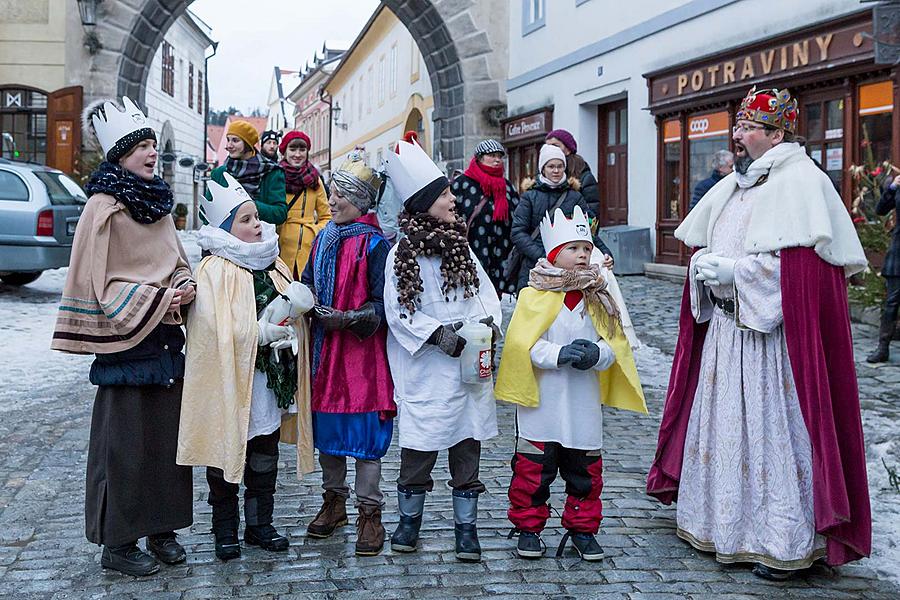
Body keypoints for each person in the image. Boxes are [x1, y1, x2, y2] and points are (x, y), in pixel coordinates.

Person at [647, 86, 871, 580]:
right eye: (740, 124)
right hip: (729, 340)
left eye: (748, 126)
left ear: (775, 134)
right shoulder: (738, 183)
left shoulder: (802, 182)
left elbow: (802, 271)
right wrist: (704, 266)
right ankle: (721, 525)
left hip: (772, 350)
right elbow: (711, 239)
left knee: (772, 436)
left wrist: (738, 274)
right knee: (726, 430)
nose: (737, 133)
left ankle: (782, 541)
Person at [52, 97, 195, 576]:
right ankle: (117, 543)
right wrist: (156, 300)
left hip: (165, 345)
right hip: (126, 344)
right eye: (143, 147)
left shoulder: (156, 205)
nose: (153, 153)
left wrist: (182, 286)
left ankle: (163, 530)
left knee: (166, 444)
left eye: (155, 145)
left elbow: (174, 262)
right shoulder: (104, 208)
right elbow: (102, 280)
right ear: (120, 155)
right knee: (125, 449)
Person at [177, 172, 316, 561]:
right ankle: (225, 530)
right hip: (230, 382)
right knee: (226, 456)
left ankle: (259, 524)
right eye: (247, 220)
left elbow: (295, 314)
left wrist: (291, 332)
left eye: (257, 217)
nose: (258, 225)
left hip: (267, 385)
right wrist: (258, 332)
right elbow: (209, 331)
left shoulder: (273, 264)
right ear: (226, 229)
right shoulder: (214, 270)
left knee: (264, 453)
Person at [496, 205, 646, 561]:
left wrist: (598, 355)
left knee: (585, 471)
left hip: (582, 399)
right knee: (535, 469)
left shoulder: (601, 296)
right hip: (543, 402)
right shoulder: (534, 295)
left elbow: (617, 343)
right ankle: (529, 526)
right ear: (553, 254)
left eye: (586, 248)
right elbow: (523, 345)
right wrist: (559, 354)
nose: (582, 255)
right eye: (572, 249)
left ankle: (583, 528)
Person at [382, 137, 502, 562]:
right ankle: (409, 521)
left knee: (467, 445)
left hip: (468, 369)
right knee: (420, 446)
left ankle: (466, 529)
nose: (453, 200)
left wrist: (487, 326)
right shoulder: (402, 255)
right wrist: (439, 337)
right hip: (428, 371)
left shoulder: (462, 249)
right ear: (424, 202)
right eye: (445, 194)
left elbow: (488, 296)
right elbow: (399, 313)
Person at [301, 154, 396, 556]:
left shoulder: (375, 244)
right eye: (332, 191)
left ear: (359, 200)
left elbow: (384, 304)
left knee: (364, 435)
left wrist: (348, 318)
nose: (332, 199)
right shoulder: (323, 238)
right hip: (327, 355)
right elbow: (306, 282)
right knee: (330, 436)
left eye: (340, 194)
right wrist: (299, 302)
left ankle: (369, 513)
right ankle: (334, 500)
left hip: (362, 358)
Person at [511, 144, 613, 292]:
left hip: (568, 269)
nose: (556, 170)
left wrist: (605, 252)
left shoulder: (575, 196)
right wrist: (543, 256)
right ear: (543, 169)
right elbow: (518, 232)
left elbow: (587, 230)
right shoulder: (530, 197)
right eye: (551, 166)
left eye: (560, 166)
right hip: (535, 266)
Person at [451, 138, 519, 296]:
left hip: (501, 252)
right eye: (492, 155)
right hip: (474, 249)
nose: (497, 160)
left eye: (499, 156)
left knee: (495, 296)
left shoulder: (507, 186)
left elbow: (518, 217)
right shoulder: (462, 184)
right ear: (479, 158)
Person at [208, 120, 287, 225]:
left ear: (248, 144)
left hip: (257, 237)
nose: (229, 146)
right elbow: (204, 212)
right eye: (228, 140)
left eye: (235, 141)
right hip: (224, 238)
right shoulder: (220, 173)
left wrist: (249, 205)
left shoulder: (271, 172)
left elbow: (280, 214)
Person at [276, 130, 332, 278]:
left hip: (307, 250)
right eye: (292, 149)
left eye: (302, 149)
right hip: (280, 248)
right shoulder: (275, 176)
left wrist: (314, 233)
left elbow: (326, 215)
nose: (297, 154)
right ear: (284, 151)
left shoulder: (314, 179)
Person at [866, 172, 900, 363]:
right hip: (899, 250)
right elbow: (880, 209)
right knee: (892, 302)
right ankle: (883, 348)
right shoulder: (897, 184)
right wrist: (892, 187)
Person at [377, 130, 420, 243]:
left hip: (408, 243)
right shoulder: (381, 180)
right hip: (385, 241)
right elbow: (370, 210)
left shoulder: (418, 182)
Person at [545, 129, 600, 214]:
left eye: (555, 146)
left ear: (568, 149)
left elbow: (592, 209)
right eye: (547, 147)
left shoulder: (584, 176)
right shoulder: (542, 174)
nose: (551, 150)